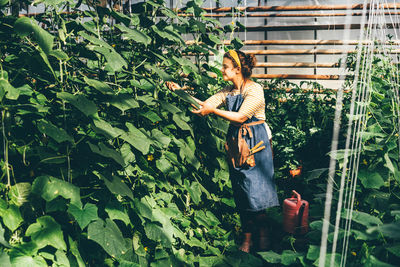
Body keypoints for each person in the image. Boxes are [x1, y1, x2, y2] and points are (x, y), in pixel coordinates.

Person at [166, 49, 279, 253]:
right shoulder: (228, 91)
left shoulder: (254, 90)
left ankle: (264, 245)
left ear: (237, 69)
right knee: (242, 192)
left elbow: (241, 117)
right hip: (238, 146)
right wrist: (179, 92)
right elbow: (206, 104)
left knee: (258, 196)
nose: (222, 69)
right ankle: (246, 242)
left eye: (225, 66)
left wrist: (213, 110)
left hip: (257, 145)